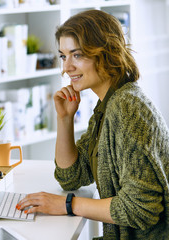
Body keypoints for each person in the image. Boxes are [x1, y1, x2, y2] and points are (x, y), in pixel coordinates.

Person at [17, 10, 169, 239]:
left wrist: (67, 205)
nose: (66, 67)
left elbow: (142, 210)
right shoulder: (107, 105)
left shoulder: (127, 108)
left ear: (106, 54)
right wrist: (65, 119)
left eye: (76, 55)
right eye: (63, 56)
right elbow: (71, 177)